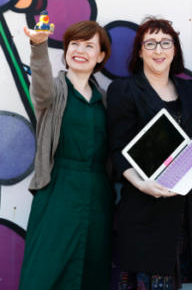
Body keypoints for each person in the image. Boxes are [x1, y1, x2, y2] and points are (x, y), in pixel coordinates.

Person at [106, 17, 192, 290]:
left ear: (174, 49)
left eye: (166, 43)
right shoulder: (124, 90)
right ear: (139, 51)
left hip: (186, 210)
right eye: (150, 44)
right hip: (144, 207)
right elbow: (116, 149)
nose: (158, 50)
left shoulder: (189, 89)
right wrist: (141, 183)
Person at [20, 21, 113, 290]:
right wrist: (38, 46)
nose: (80, 51)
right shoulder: (54, 90)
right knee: (46, 269)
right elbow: (39, 86)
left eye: (89, 46)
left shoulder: (105, 99)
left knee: (91, 271)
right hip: (57, 190)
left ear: (101, 56)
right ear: (66, 50)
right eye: (74, 44)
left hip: (98, 195)